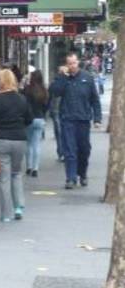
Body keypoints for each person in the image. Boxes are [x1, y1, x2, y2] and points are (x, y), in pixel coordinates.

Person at [0, 69, 32, 222]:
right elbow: (29, 119)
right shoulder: (22, 99)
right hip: (19, 140)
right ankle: (19, 207)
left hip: (2, 140)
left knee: (4, 177)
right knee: (16, 173)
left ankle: (5, 214)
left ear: (0, 81)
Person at [50, 52, 103, 189]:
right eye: (69, 63)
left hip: (83, 119)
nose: (72, 66)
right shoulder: (63, 78)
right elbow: (55, 91)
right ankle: (71, 178)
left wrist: (97, 119)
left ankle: (82, 174)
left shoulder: (87, 78)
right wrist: (63, 77)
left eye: (74, 63)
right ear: (66, 64)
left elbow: (95, 100)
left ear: (78, 62)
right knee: (70, 150)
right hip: (68, 119)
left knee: (84, 150)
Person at [23, 69, 49, 178]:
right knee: (36, 144)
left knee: (28, 144)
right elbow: (46, 106)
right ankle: (35, 168)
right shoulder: (44, 91)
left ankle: (28, 167)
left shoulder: (27, 90)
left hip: (29, 119)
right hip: (40, 118)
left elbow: (24, 104)